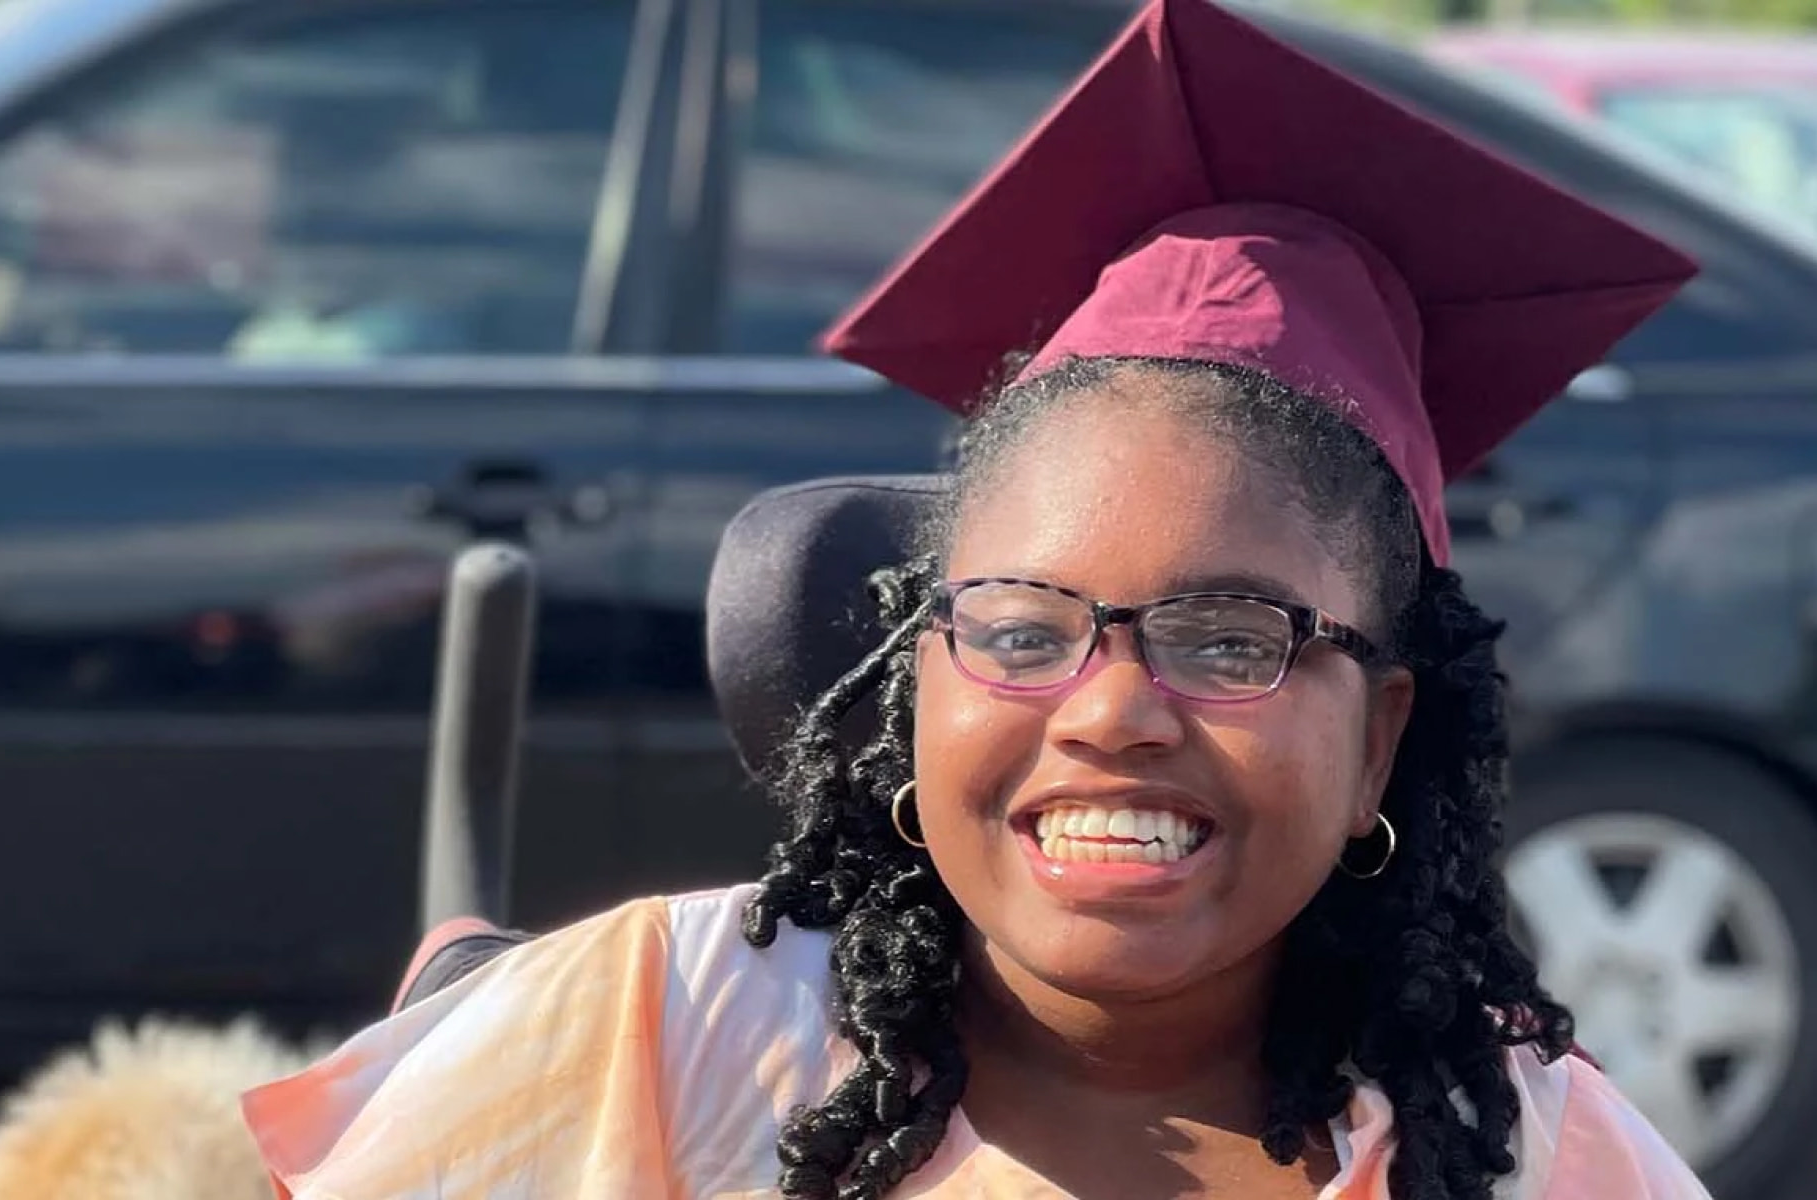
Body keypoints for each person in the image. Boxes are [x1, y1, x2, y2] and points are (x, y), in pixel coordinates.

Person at [241, 0, 1710, 1196]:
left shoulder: (1527, 1153)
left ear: (1379, 740)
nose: (1114, 711)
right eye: (1019, 630)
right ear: (919, 679)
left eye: (1229, 640)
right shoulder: (656, 1029)